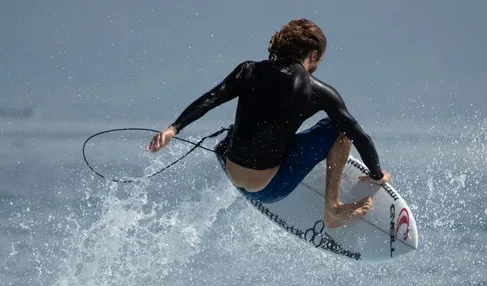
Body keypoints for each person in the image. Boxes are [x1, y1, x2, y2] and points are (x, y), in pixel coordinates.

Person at [148, 19, 390, 228]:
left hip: (231, 171)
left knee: (251, 125)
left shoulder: (249, 70)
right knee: (338, 129)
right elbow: (359, 136)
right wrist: (376, 174)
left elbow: (212, 98)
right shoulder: (317, 90)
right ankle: (333, 210)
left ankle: (263, 169)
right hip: (270, 188)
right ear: (313, 55)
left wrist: (173, 128)